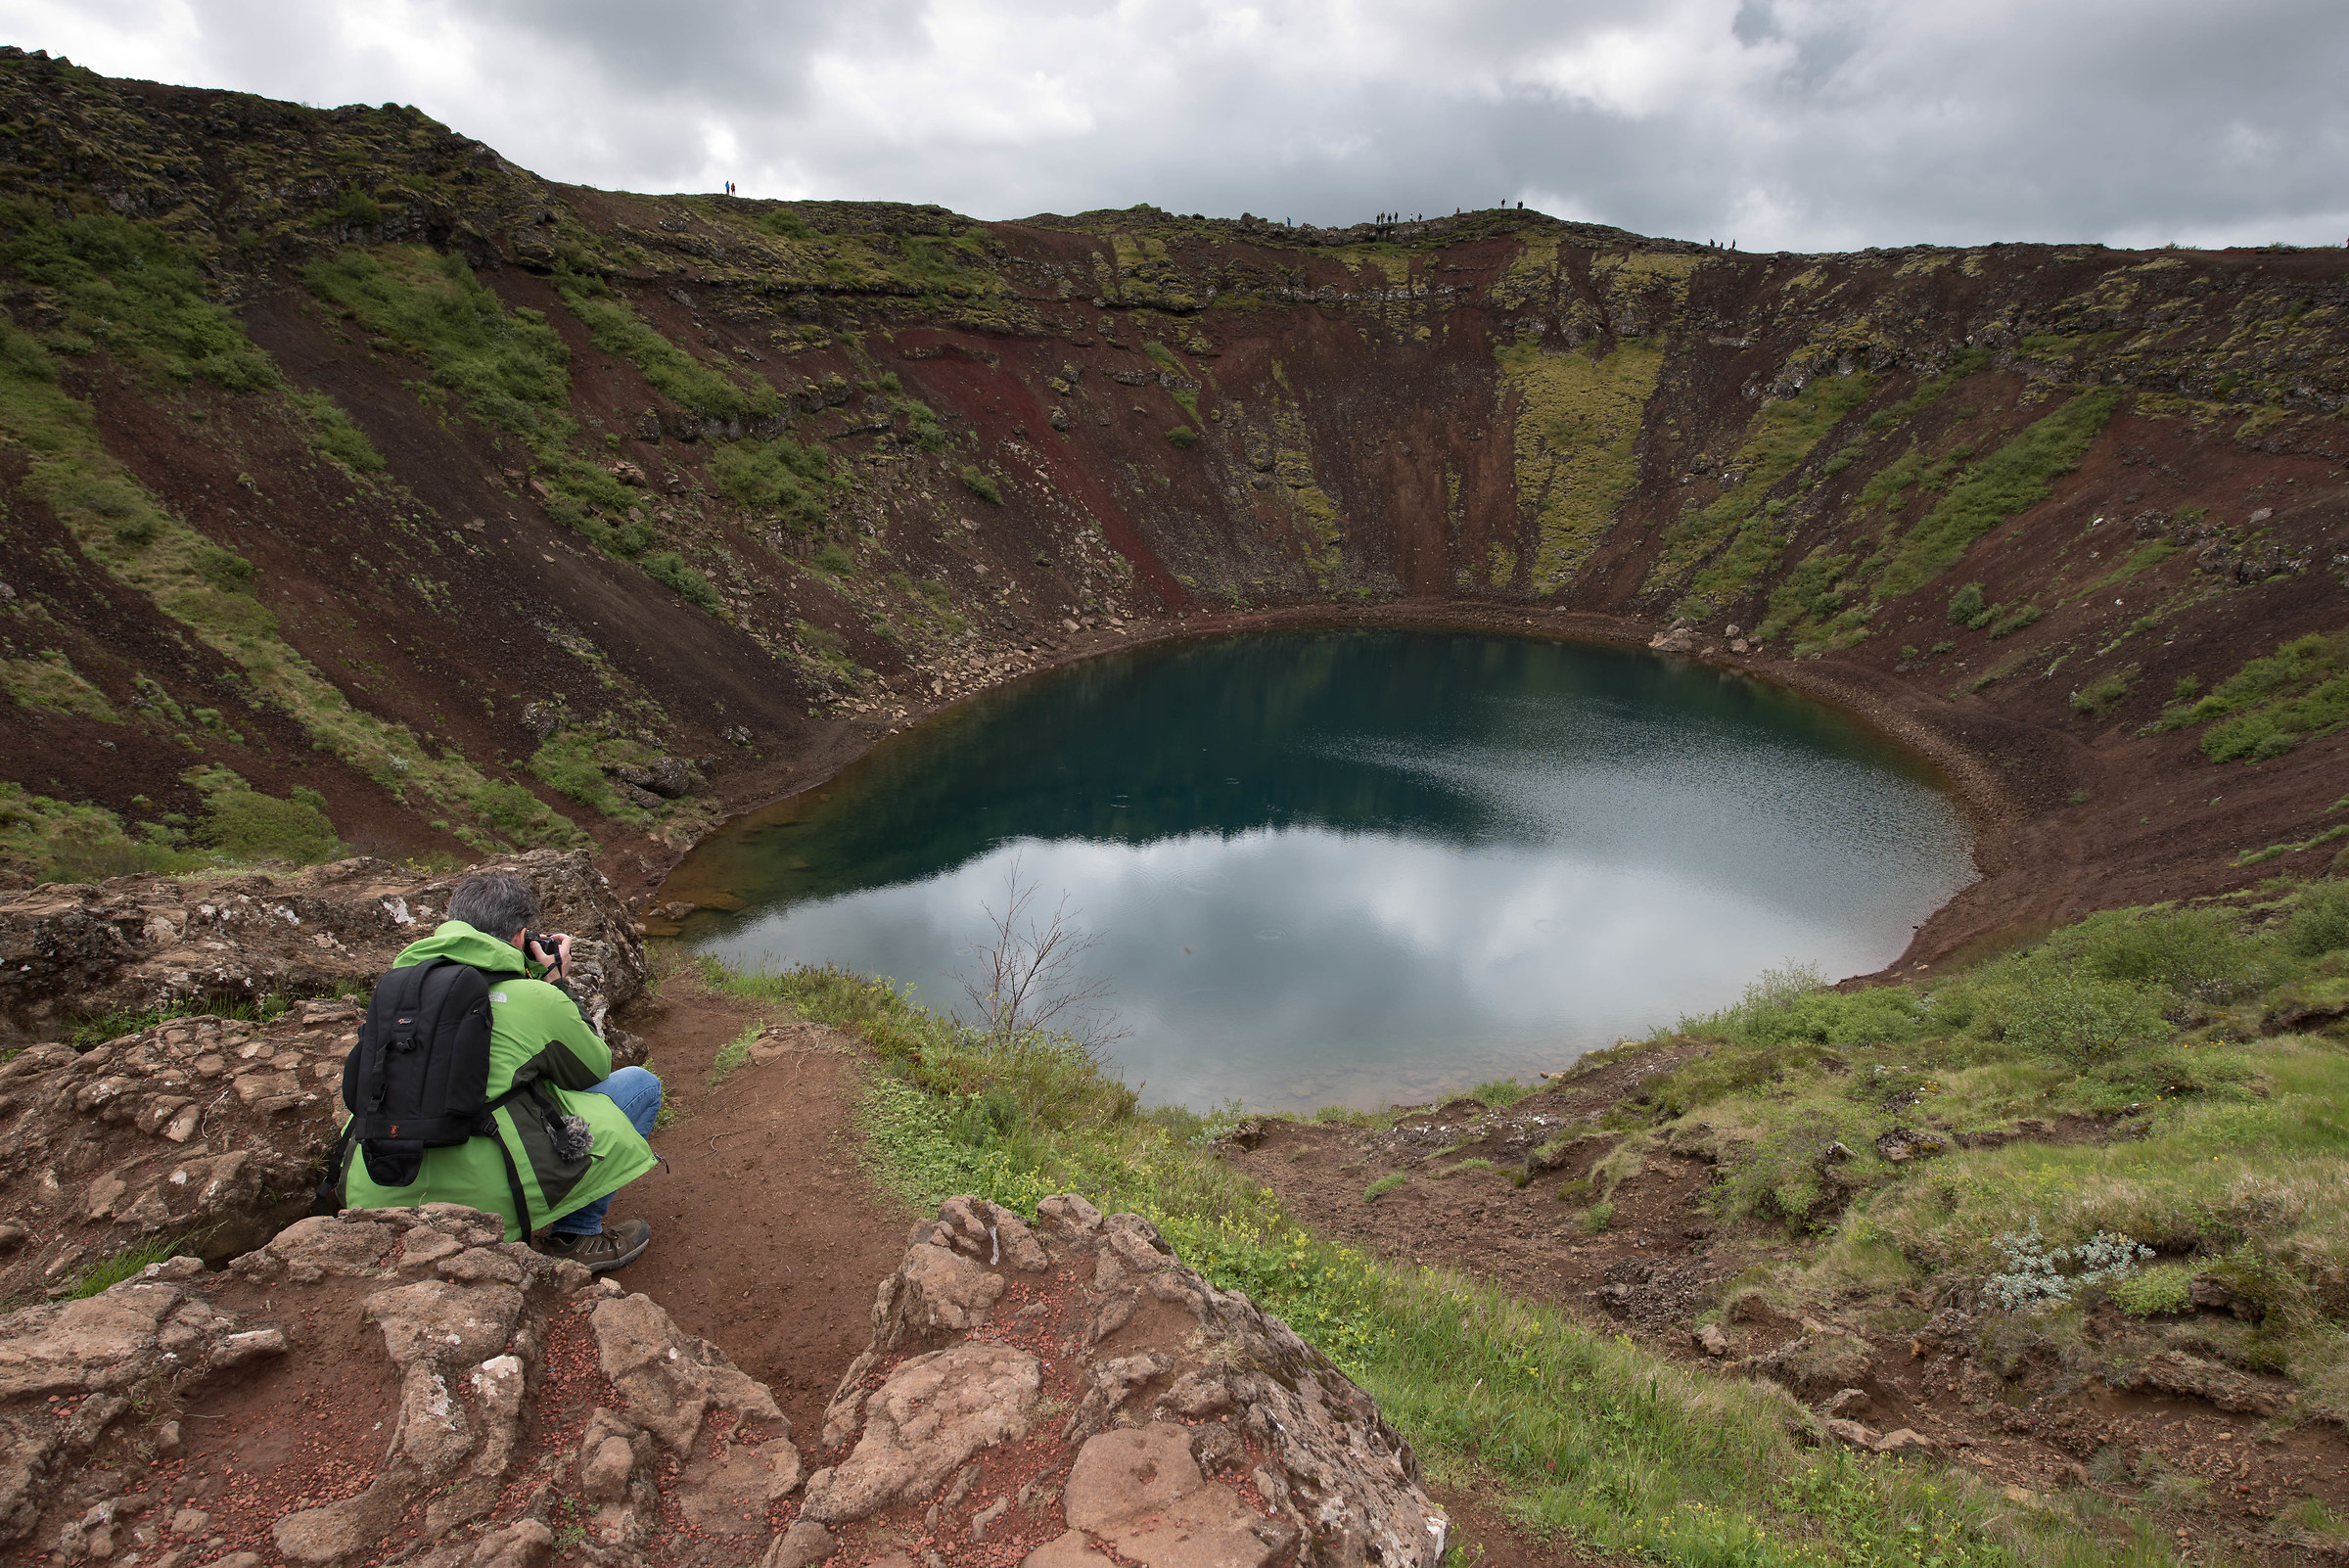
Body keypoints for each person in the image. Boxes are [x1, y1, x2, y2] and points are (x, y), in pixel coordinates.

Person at [334, 870, 661, 1270]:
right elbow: (594, 1070)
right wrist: (556, 983)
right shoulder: (533, 997)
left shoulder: (397, 988)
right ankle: (577, 1235)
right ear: (522, 937)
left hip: (374, 1188)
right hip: (487, 1205)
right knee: (640, 1086)